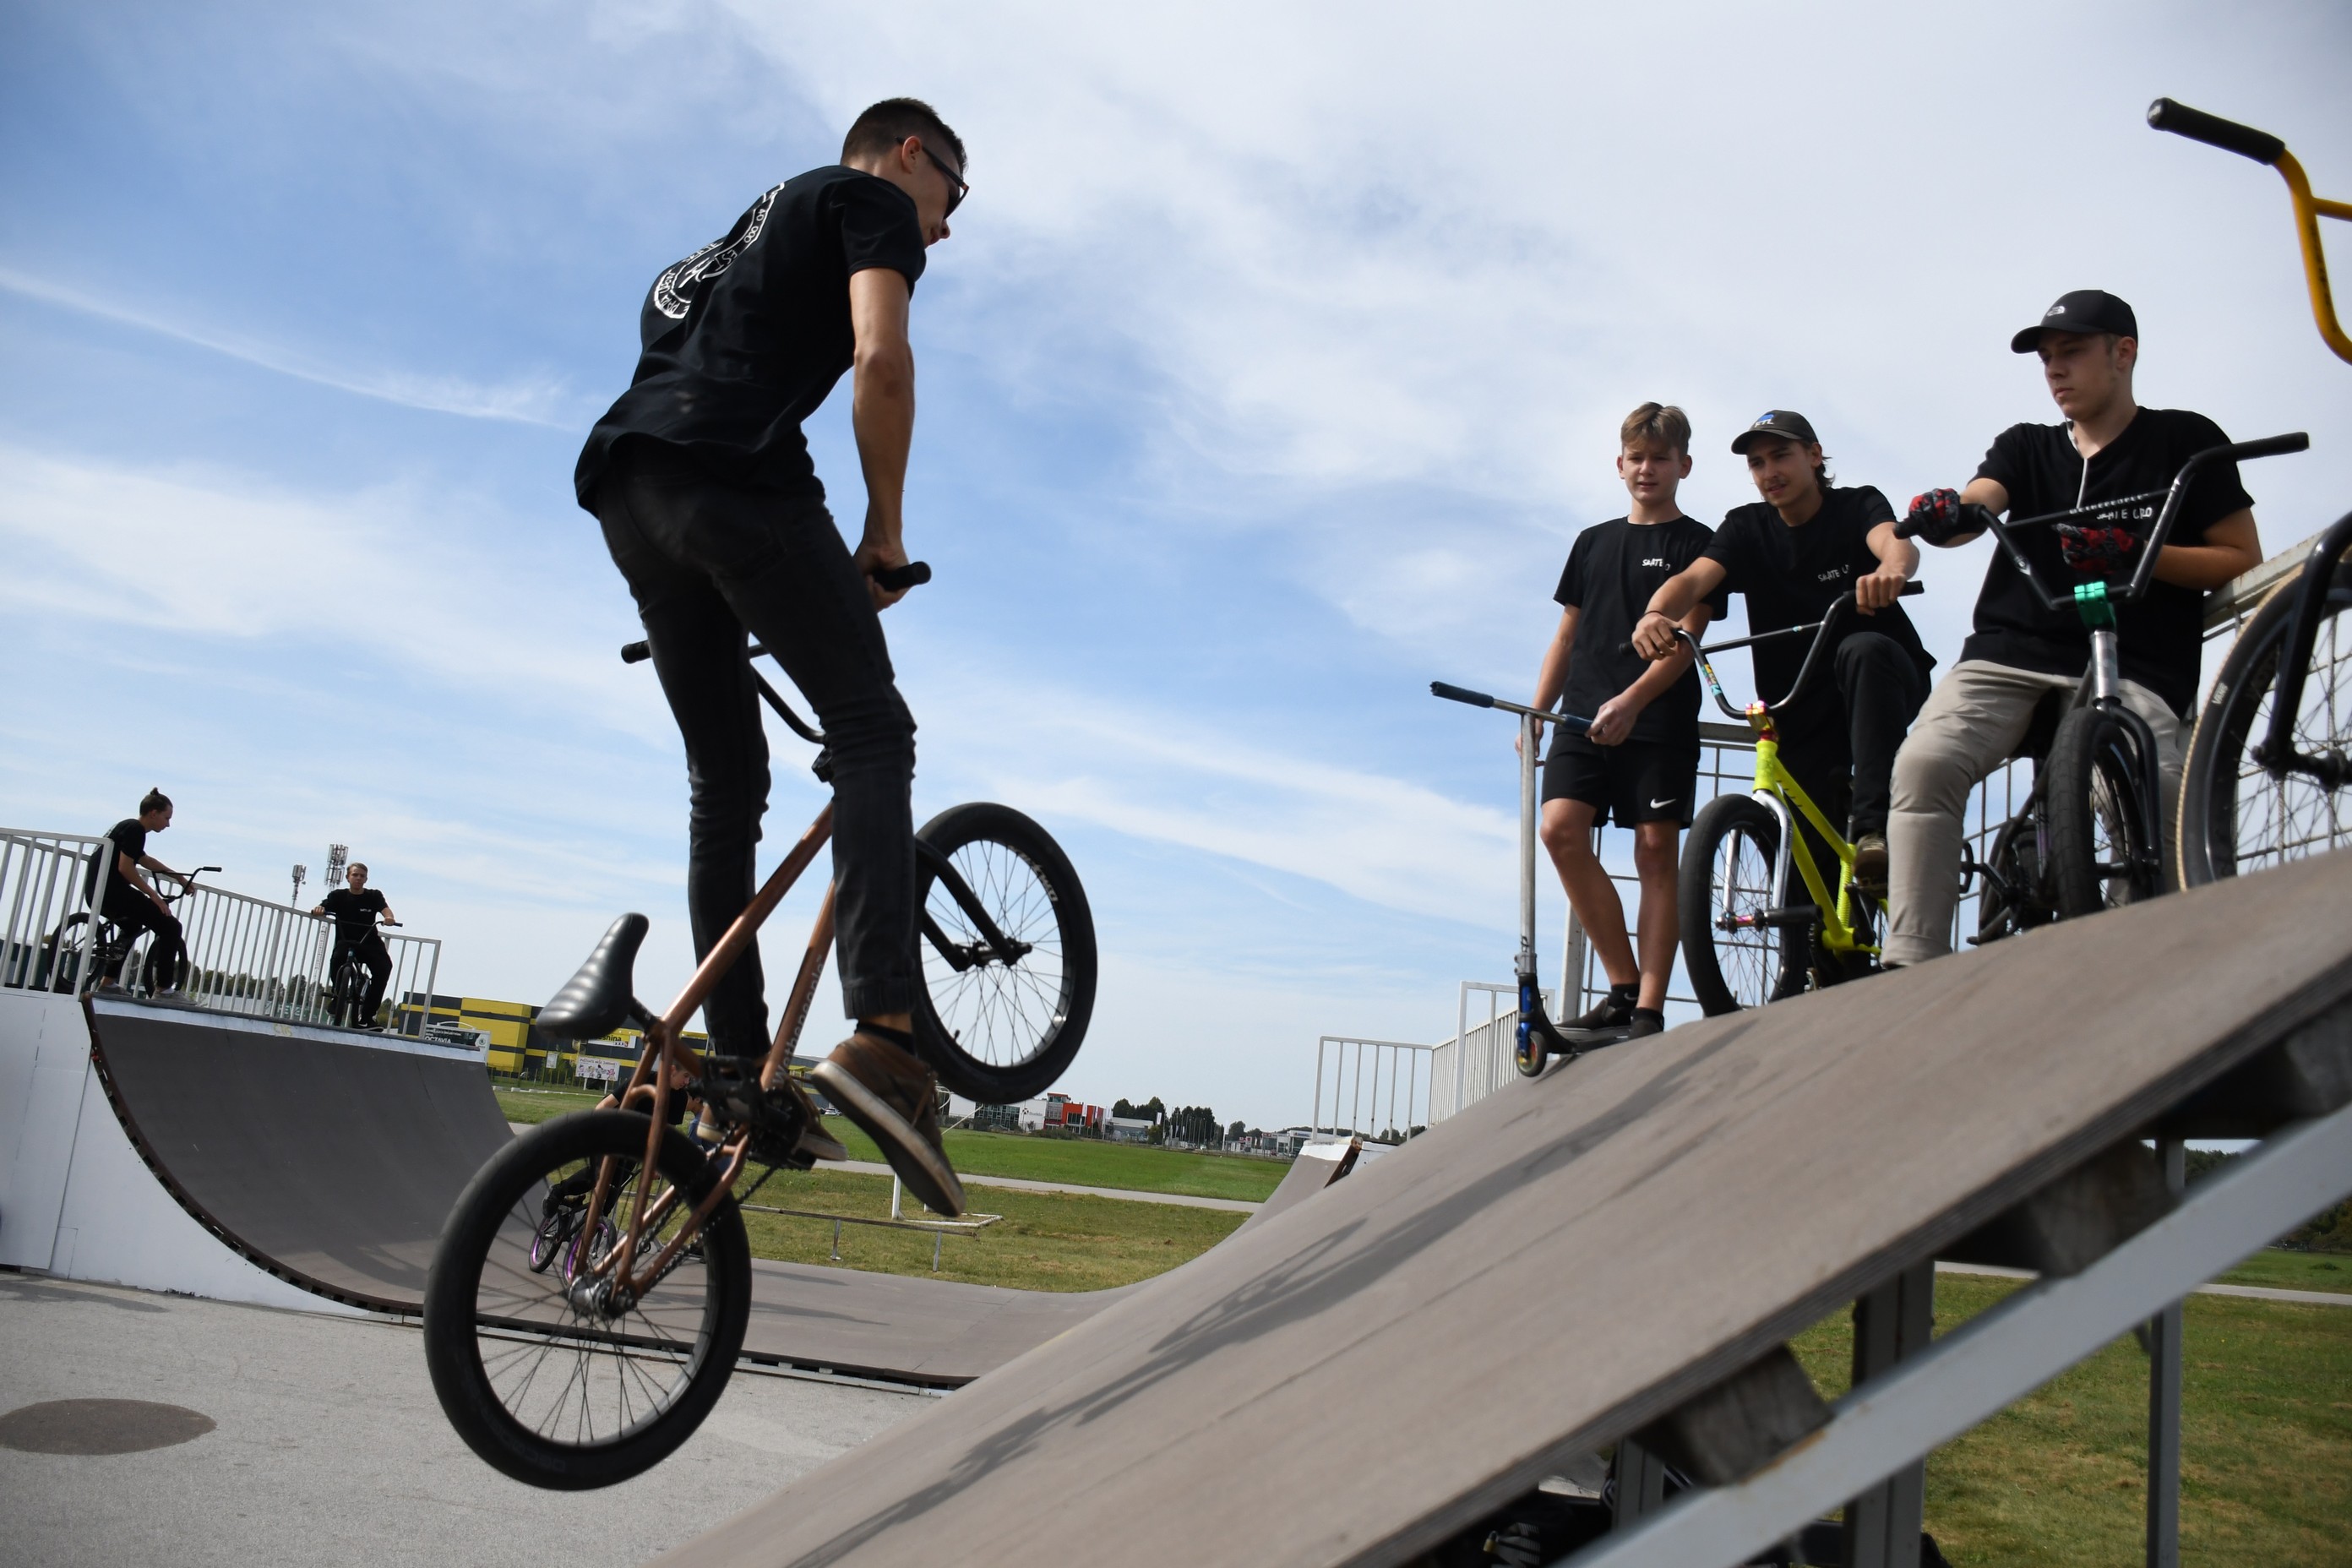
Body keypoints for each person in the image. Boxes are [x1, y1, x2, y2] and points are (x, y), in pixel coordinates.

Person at [573, 98, 970, 1217]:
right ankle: (886, 1038)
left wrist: (712, 572)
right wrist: (882, 531)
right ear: (909, 155)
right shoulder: (871, 203)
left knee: (727, 787)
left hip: (628, 493)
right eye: (955, 190)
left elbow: (703, 378)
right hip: (732, 479)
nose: (943, 226)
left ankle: (741, 1076)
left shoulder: (693, 265)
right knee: (872, 728)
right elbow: (878, 360)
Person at [1882, 291, 2262, 966]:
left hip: (2137, 658)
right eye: (2047, 359)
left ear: (2124, 353)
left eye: (2073, 354)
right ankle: (1910, 961)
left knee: (2159, 787)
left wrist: (2137, 553)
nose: (2056, 371)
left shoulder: (2186, 440)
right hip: (2013, 650)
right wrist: (1949, 515)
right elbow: (1979, 505)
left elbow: (2240, 557)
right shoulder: (2025, 447)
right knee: (1923, 762)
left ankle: (2151, 955)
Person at [1633, 411, 1934, 897]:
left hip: (1881, 685)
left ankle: (1874, 829)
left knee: (1860, 648)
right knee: (1801, 867)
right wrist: (1655, 613)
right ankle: (1816, 956)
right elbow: (1693, 579)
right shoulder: (1746, 527)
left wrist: (1890, 572)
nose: (1769, 472)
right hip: (1799, 706)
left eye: (1781, 456)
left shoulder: (1857, 505)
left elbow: (1895, 544)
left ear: (1815, 457)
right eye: (1757, 463)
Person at [1526, 402, 1721, 1043]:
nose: (1647, 468)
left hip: (1657, 719)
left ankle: (1649, 1011)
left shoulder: (1701, 545)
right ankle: (1622, 985)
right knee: (1559, 831)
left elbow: (1688, 640)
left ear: (1683, 465)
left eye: (1660, 458)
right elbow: (1565, 635)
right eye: (1636, 457)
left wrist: (1634, 699)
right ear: (1619, 464)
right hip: (1581, 715)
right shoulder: (1591, 542)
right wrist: (1538, 709)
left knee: (1655, 851)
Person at [85, 788, 193, 994]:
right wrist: (155, 897)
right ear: (153, 813)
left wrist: (178, 877)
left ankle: (108, 982)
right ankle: (164, 989)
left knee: (132, 926)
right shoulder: (135, 829)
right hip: (114, 894)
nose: (168, 824)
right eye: (166, 818)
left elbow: (146, 860)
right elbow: (125, 868)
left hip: (96, 893)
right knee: (171, 928)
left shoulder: (127, 827)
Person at [313, 862, 396, 1027]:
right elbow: (323, 906)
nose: (358, 878)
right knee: (337, 959)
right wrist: (319, 909)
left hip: (369, 942)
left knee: (384, 967)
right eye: (355, 875)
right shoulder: (338, 896)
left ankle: (367, 1016)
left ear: (366, 879)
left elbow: (385, 910)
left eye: (362, 876)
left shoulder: (374, 896)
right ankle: (338, 995)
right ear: (348, 878)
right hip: (346, 941)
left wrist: (389, 918)